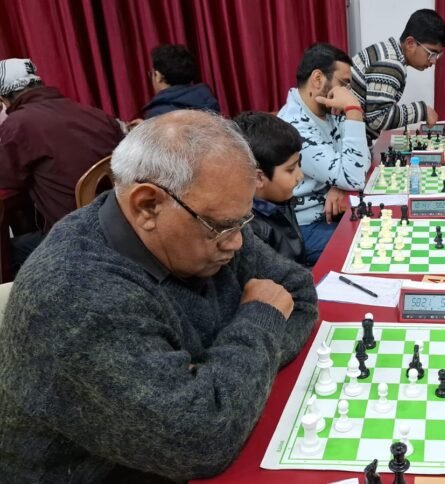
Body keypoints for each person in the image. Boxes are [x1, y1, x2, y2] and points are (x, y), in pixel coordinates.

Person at [0, 110, 318, 482]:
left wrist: (216, 380)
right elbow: (203, 441)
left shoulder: (208, 216)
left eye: (242, 222)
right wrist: (260, 318)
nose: (237, 242)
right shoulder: (75, 295)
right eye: (225, 227)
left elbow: (299, 294)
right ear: (147, 205)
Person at [0, 57, 124, 270]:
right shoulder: (95, 114)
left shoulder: (19, 124)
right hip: (123, 230)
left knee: (8, 251)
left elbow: (7, 179)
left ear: (4, 99)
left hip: (73, 240)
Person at [278, 43, 371, 264]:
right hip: (304, 227)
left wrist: (337, 183)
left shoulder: (326, 113)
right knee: (370, 246)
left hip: (333, 212)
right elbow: (356, 176)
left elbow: (363, 157)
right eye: (344, 84)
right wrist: (353, 110)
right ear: (318, 79)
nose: (347, 93)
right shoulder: (295, 126)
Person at [351, 9, 445, 142]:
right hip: (345, 140)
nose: (433, 61)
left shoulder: (389, 53)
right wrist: (422, 110)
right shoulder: (390, 63)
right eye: (431, 54)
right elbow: (378, 118)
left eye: (438, 55)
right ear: (410, 44)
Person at [234, 111, 307, 264]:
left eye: (299, 164)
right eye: (290, 169)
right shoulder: (251, 231)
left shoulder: (278, 199)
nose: (300, 175)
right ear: (259, 178)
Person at [142, 44, 220, 119]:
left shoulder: (157, 114)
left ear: (158, 76)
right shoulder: (207, 102)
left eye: (151, 74)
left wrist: (147, 126)